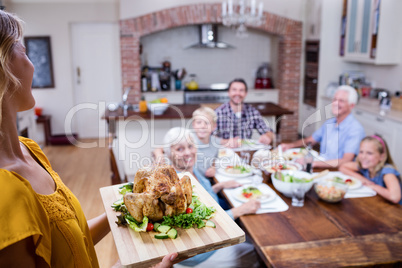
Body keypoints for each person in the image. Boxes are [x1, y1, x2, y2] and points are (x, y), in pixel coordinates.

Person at [0, 10, 177, 267]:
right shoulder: (5, 193)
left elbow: (74, 244)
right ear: (4, 68)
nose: (32, 64)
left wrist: (126, 206)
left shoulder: (31, 151)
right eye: (24, 52)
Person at [162, 127, 261, 267]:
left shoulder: (189, 170)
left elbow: (202, 196)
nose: (188, 152)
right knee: (257, 251)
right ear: (169, 154)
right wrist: (240, 210)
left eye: (190, 146)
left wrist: (219, 186)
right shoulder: (176, 187)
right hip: (202, 252)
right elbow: (204, 223)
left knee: (251, 237)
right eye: (179, 149)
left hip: (212, 238)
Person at [280, 85, 365, 168]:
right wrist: (290, 145)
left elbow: (346, 160)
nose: (336, 103)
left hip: (337, 171)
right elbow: (310, 140)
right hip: (322, 165)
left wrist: (314, 163)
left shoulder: (355, 129)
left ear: (352, 106)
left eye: (341, 101)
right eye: (335, 99)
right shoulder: (330, 123)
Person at [153, 106, 239, 177]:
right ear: (193, 125)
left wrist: (213, 167)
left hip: (204, 180)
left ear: (214, 126)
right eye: (199, 122)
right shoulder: (188, 139)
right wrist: (159, 156)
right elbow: (159, 149)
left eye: (207, 123)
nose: (202, 126)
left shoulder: (215, 141)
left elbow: (215, 157)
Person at [340, 136, 401, 204]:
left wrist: (374, 186)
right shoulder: (365, 166)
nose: (363, 157)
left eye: (369, 153)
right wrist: (363, 179)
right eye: (361, 152)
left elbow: (395, 197)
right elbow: (343, 167)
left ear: (381, 156)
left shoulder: (387, 172)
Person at [215, 78, 274, 145]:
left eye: (241, 90)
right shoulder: (218, 112)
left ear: (246, 93)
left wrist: (268, 136)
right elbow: (209, 137)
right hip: (224, 152)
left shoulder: (252, 112)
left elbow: (268, 132)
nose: (238, 93)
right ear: (228, 92)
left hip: (246, 152)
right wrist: (226, 142)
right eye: (234, 90)